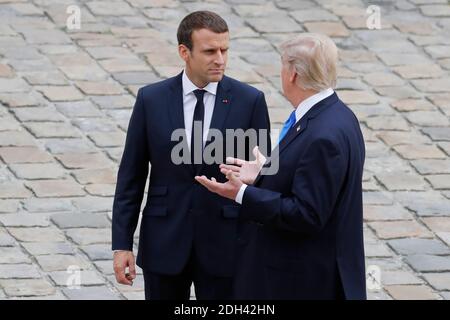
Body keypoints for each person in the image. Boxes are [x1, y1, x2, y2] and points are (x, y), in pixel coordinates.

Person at [111, 11, 270, 300]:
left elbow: (265, 177)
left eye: (225, 50)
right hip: (164, 242)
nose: (220, 59)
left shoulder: (250, 101)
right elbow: (131, 176)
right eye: (210, 51)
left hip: (226, 245)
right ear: (184, 52)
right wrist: (122, 244)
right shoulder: (151, 99)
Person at [196, 33, 367, 300]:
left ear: (293, 75)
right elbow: (310, 178)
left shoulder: (323, 136)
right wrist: (266, 172)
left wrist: (241, 193)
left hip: (305, 282)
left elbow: (306, 214)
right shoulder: (339, 115)